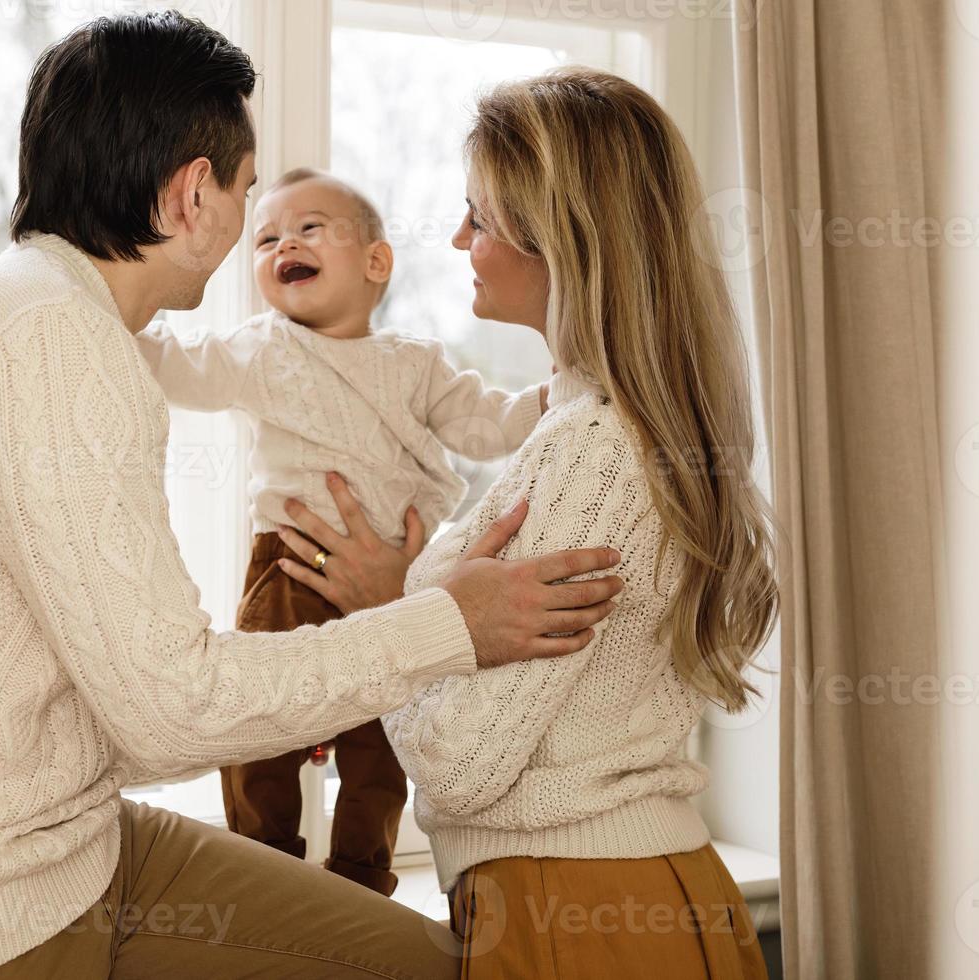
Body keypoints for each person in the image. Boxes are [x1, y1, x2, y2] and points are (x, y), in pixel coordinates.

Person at [0, 14, 623, 980]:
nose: (259, 227)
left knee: (431, 963)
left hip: (66, 840)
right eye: (250, 195)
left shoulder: (36, 313)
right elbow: (172, 712)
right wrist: (445, 623)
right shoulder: (48, 343)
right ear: (192, 194)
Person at [282, 69, 778, 979]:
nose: (461, 238)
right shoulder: (592, 425)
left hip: (581, 916)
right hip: (614, 900)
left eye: (482, 216)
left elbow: (465, 764)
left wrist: (393, 614)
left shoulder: (596, 450)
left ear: (563, 242)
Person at [135, 166, 549, 897]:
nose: (282, 244)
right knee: (259, 730)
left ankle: (361, 876)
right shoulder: (259, 350)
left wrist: (546, 402)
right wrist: (114, 312)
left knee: (379, 745)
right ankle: (263, 866)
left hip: (393, 583)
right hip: (289, 568)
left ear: (375, 263)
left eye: (307, 228)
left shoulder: (415, 364)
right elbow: (177, 366)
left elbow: (483, 423)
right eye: (264, 238)